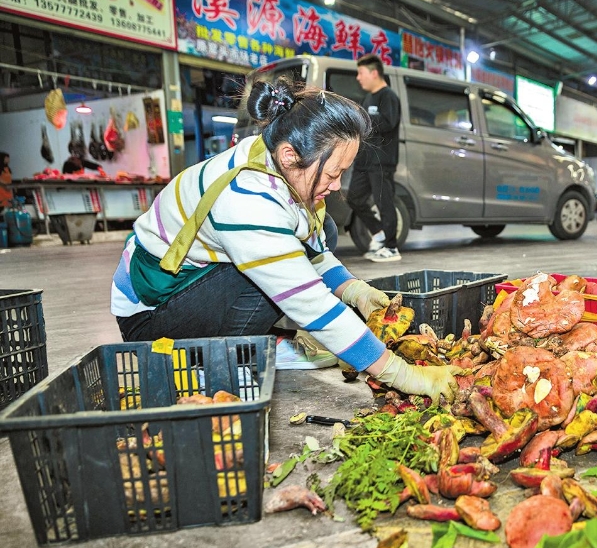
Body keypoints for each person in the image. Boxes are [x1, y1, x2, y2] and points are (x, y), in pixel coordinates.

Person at [110, 77, 459, 401]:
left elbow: (313, 247)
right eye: (333, 172)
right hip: (153, 320)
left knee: (324, 232)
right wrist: (402, 374)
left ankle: (256, 342)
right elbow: (310, 301)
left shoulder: (272, 155)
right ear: (291, 156)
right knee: (267, 282)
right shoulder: (247, 199)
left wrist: (355, 290)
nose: (337, 184)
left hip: (190, 287)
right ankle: (219, 366)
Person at [347, 53, 402, 263]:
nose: (358, 78)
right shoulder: (367, 98)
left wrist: (362, 116)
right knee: (354, 197)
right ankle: (378, 232)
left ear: (374, 73)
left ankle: (391, 247)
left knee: (384, 202)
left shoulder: (388, 96)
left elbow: (389, 123)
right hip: (364, 159)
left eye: (361, 73)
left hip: (382, 160)